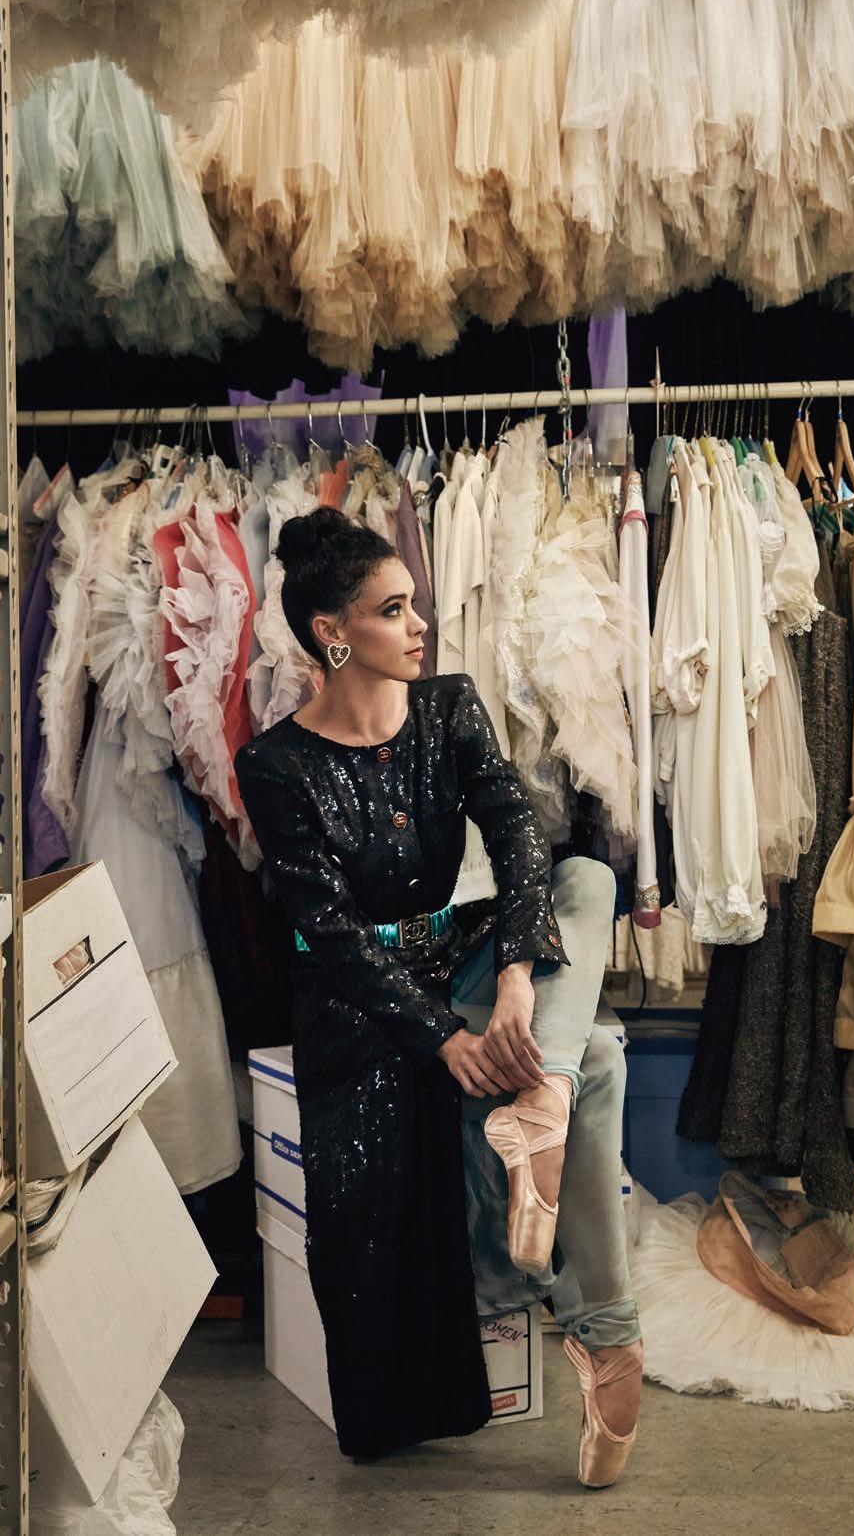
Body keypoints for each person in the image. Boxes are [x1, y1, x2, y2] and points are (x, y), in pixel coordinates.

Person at [235, 507, 642, 1488]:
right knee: (596, 1056)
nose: (420, 623)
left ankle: (538, 1098)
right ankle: (607, 1331)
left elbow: (516, 834)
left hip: (457, 955)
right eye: (393, 609)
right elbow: (328, 931)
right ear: (333, 634)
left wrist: (515, 975)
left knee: (587, 879)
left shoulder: (448, 707)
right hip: (359, 1005)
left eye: (413, 603)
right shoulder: (274, 765)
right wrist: (444, 1043)